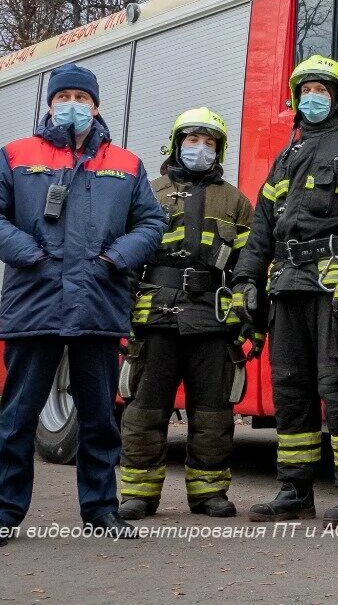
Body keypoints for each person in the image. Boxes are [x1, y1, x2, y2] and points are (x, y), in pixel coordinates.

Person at [0, 63, 166, 548]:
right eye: (64, 96)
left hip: (98, 304)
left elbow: (152, 224)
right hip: (36, 305)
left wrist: (116, 258)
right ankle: (3, 512)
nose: (72, 104)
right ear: (51, 103)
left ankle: (101, 510)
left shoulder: (126, 163)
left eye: (82, 97)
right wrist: (28, 253)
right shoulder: (17, 155)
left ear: (96, 106)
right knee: (18, 416)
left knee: (99, 418)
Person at [232, 55, 338, 524]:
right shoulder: (286, 157)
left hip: (335, 292)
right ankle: (295, 491)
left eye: (321, 89)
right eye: (304, 90)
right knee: (291, 391)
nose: (312, 98)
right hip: (288, 289)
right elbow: (262, 227)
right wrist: (246, 280)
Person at [117, 108, 256, 520]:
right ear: (177, 145)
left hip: (212, 318)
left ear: (220, 150)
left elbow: (248, 265)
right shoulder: (150, 192)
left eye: (209, 142)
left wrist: (247, 314)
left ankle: (209, 493)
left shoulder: (234, 200)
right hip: (156, 314)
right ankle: (138, 494)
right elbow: (128, 256)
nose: (201, 149)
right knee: (145, 408)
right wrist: (120, 314)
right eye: (193, 140)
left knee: (213, 410)